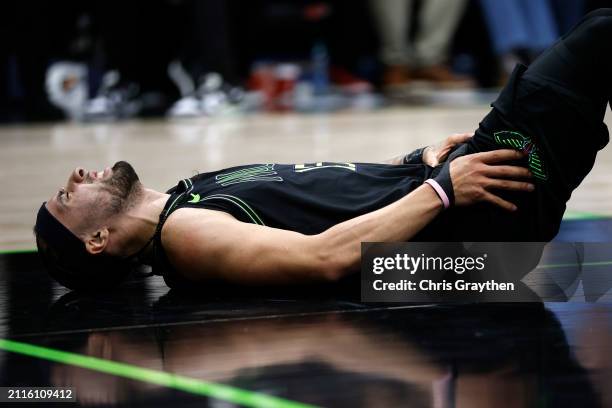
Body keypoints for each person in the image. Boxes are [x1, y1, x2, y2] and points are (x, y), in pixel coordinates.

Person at [34, 9, 611, 291]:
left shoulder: (189, 197)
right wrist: (441, 190)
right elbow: (324, 259)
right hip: (473, 224)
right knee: (602, 36)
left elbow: (326, 190)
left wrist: (415, 159)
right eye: (68, 193)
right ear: (96, 240)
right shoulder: (183, 234)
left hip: (458, 203)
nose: (78, 174)